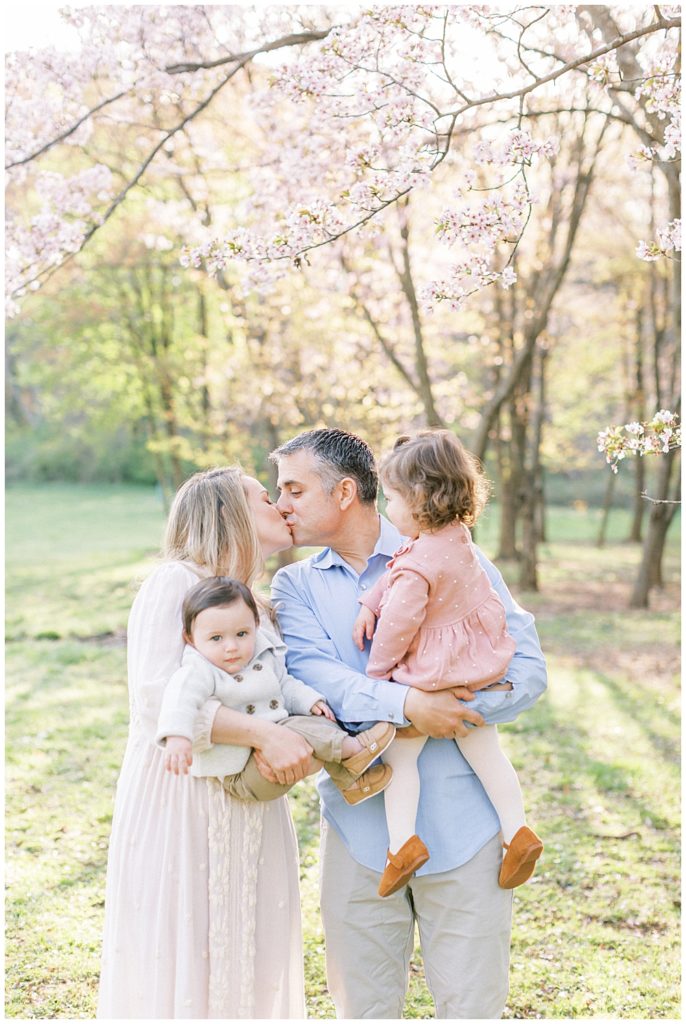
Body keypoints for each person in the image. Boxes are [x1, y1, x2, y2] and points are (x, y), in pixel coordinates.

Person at [269, 427, 547, 1020]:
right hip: (359, 833)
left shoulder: (456, 553)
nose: (281, 503)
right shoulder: (294, 586)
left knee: (472, 1009)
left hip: (469, 834)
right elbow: (321, 680)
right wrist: (411, 708)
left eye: (293, 488)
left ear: (345, 492)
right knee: (363, 1011)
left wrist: (452, 708)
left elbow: (528, 673)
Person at [97, 467, 318, 1019]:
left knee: (251, 939)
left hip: (248, 797)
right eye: (267, 498)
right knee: (186, 937)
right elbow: (155, 698)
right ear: (230, 515)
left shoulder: (257, 607)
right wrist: (263, 734)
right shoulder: (174, 583)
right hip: (182, 790)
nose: (281, 507)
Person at [351, 431, 543, 897]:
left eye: (392, 498)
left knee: (400, 759)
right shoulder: (456, 539)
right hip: (476, 669)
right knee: (487, 754)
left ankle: (403, 846)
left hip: (432, 675)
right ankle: (517, 832)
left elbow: (399, 623)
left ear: (419, 500)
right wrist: (368, 602)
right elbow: (395, 573)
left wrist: (378, 679)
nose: (386, 509)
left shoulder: (418, 565)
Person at [157, 575, 394, 803]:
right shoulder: (199, 669)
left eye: (241, 634)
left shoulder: (262, 653)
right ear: (190, 637)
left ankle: (350, 781)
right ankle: (354, 748)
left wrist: (309, 701)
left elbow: (284, 684)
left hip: (277, 756)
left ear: (256, 626)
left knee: (318, 719)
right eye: (216, 638)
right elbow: (179, 699)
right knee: (297, 728)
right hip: (241, 774)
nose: (231, 647)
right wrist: (178, 736)